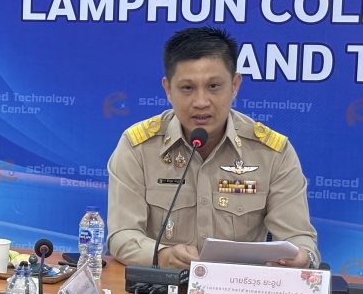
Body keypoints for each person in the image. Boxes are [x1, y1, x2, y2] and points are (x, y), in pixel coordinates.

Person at [107, 26, 319, 270]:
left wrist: (303, 257)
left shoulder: (272, 153)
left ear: (235, 85)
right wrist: (162, 255)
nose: (201, 102)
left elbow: (299, 238)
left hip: (240, 287)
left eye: (214, 86)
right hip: (163, 287)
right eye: (187, 88)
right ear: (168, 89)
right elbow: (122, 234)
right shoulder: (138, 147)